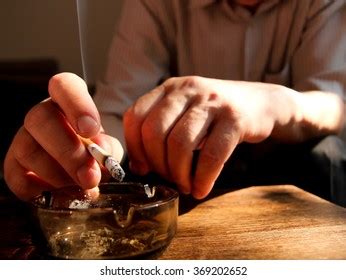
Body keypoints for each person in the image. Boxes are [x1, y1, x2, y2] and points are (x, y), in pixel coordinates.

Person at [4, 0, 346, 207]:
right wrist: (77, 145)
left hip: (293, 185)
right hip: (187, 192)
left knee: (328, 153)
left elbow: (334, 106)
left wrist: (270, 102)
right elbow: (117, 110)